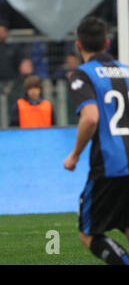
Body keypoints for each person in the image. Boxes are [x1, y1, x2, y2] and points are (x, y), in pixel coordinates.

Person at [63, 16, 129, 265]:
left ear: (79, 45)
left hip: (110, 164)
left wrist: (75, 155)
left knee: (89, 232)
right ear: (107, 43)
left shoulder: (83, 74)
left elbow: (90, 118)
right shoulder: (126, 71)